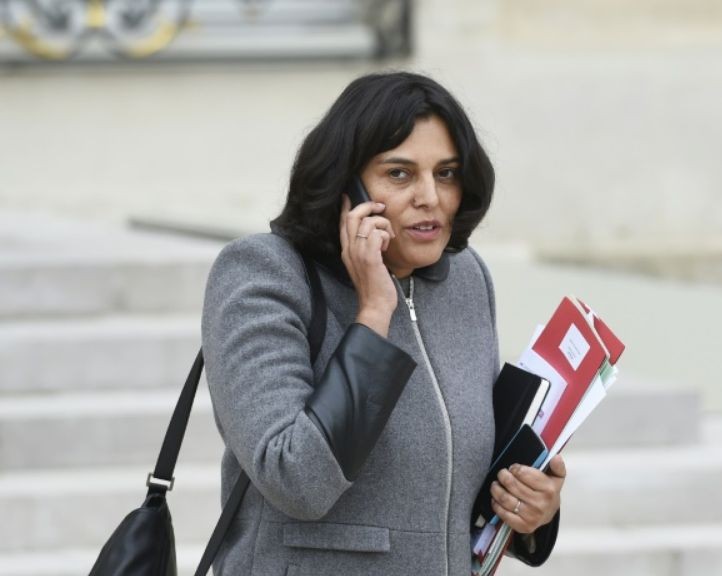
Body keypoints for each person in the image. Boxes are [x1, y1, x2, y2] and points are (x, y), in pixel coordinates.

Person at [201, 71, 565, 576]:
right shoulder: (264, 274)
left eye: (446, 173)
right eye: (399, 174)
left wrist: (529, 508)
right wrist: (374, 313)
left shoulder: (466, 278)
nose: (430, 197)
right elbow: (296, 481)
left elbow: (457, 474)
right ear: (345, 186)